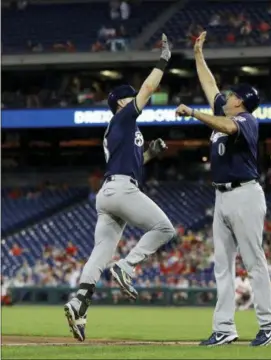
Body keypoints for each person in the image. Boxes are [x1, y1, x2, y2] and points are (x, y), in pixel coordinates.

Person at [175, 31, 271, 347]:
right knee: (222, 266)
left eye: (233, 95)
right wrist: (198, 55)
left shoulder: (247, 120)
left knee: (253, 260)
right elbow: (209, 84)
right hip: (222, 195)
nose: (227, 95)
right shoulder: (227, 110)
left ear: (241, 102)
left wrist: (195, 113)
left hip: (245, 194)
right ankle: (224, 327)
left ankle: (270, 321)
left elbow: (225, 126)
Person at [64, 34, 175, 342]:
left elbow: (133, 162)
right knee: (165, 230)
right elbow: (149, 88)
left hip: (111, 191)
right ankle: (126, 266)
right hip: (122, 191)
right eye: (131, 97)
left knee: (100, 252)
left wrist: (151, 152)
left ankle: (78, 303)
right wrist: (163, 60)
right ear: (122, 102)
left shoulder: (123, 130)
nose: (136, 99)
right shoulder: (124, 117)